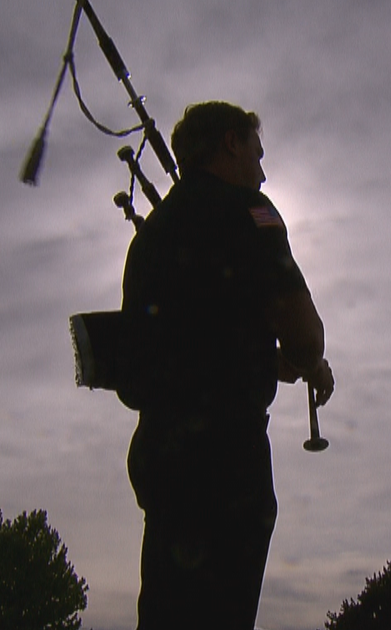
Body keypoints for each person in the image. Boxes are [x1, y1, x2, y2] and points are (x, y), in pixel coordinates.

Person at [118, 101, 335, 630]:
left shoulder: (149, 238)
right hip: (226, 465)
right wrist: (311, 361)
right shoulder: (253, 212)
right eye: (257, 154)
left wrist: (270, 362)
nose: (263, 171)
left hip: (161, 458)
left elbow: (181, 343)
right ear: (230, 143)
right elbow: (305, 334)